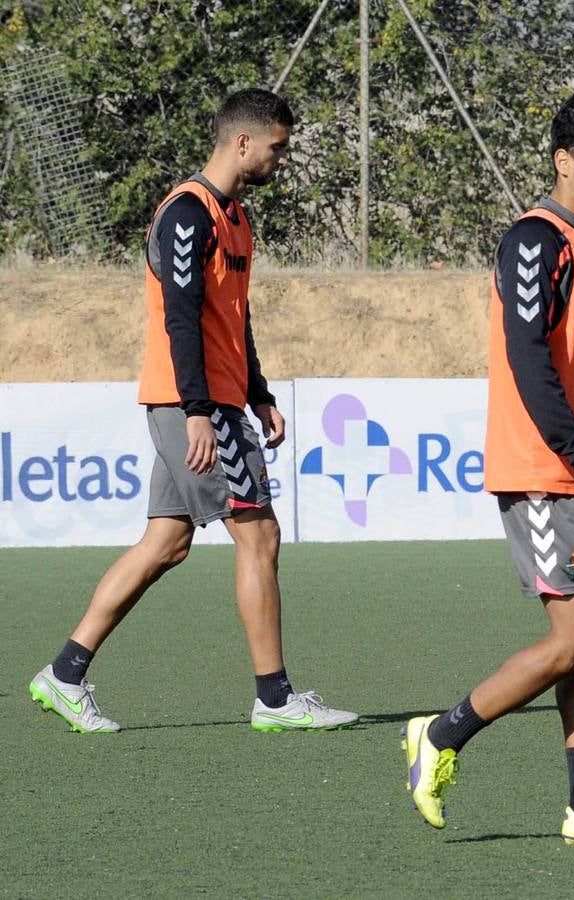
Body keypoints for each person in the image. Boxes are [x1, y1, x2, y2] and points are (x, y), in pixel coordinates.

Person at [28, 89, 357, 734]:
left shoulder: (236, 219)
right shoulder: (187, 213)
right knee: (259, 534)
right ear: (243, 142)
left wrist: (258, 391)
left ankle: (63, 675)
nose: (281, 159)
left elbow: (234, 319)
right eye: (277, 148)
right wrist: (201, 411)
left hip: (214, 400)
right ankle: (275, 698)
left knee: (167, 543)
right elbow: (180, 318)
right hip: (194, 404)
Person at [401, 91, 574, 844]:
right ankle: (439, 735)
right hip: (543, 470)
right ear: (564, 161)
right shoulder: (535, 239)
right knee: (573, 640)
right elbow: (527, 359)